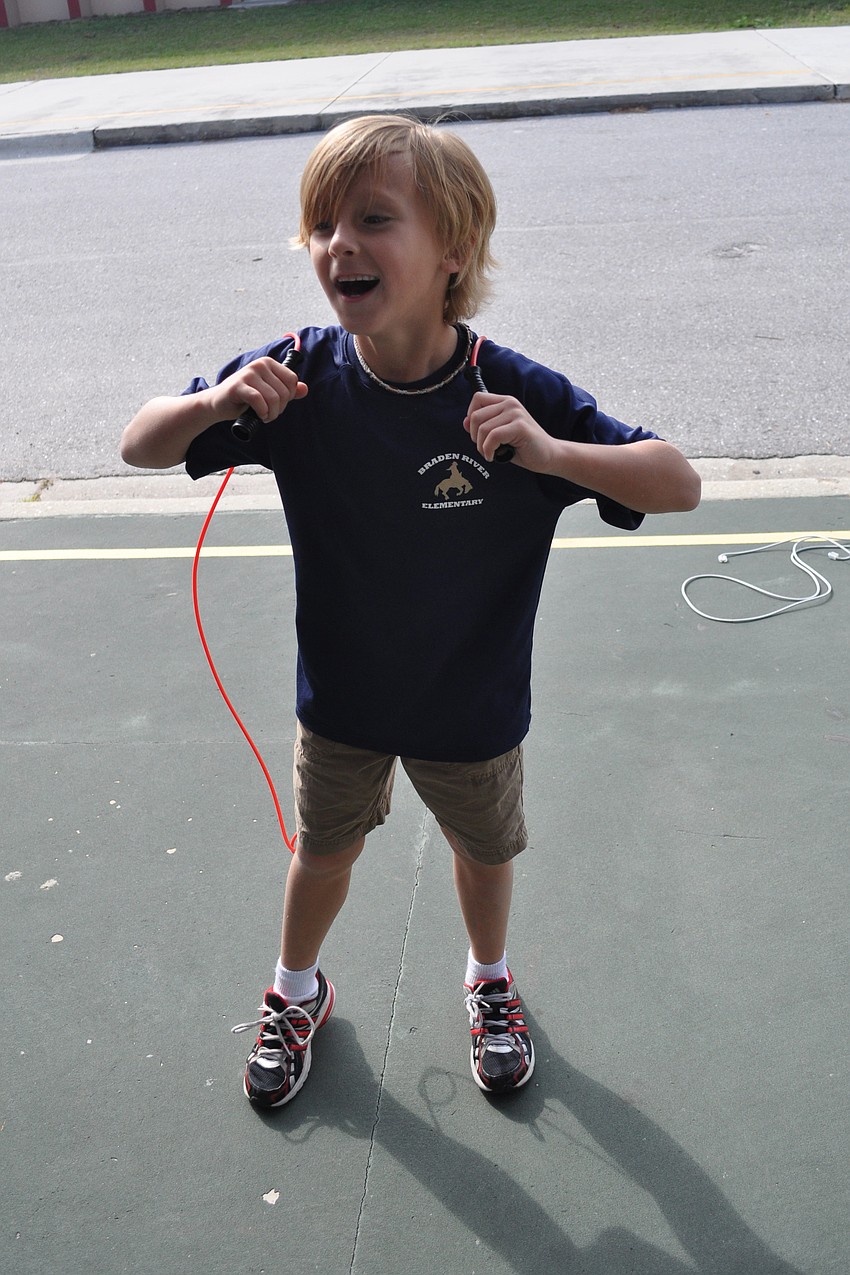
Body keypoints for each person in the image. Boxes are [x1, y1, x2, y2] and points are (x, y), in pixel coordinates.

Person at [121, 113, 701, 1110]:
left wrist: (555, 455)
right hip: (341, 702)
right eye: (322, 225)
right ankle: (295, 988)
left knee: (485, 853)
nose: (339, 243)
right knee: (325, 849)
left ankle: (488, 980)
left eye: (373, 219)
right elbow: (141, 445)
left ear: (453, 253)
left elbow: (674, 482)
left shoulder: (510, 392)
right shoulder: (295, 376)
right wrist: (219, 400)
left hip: (470, 706)